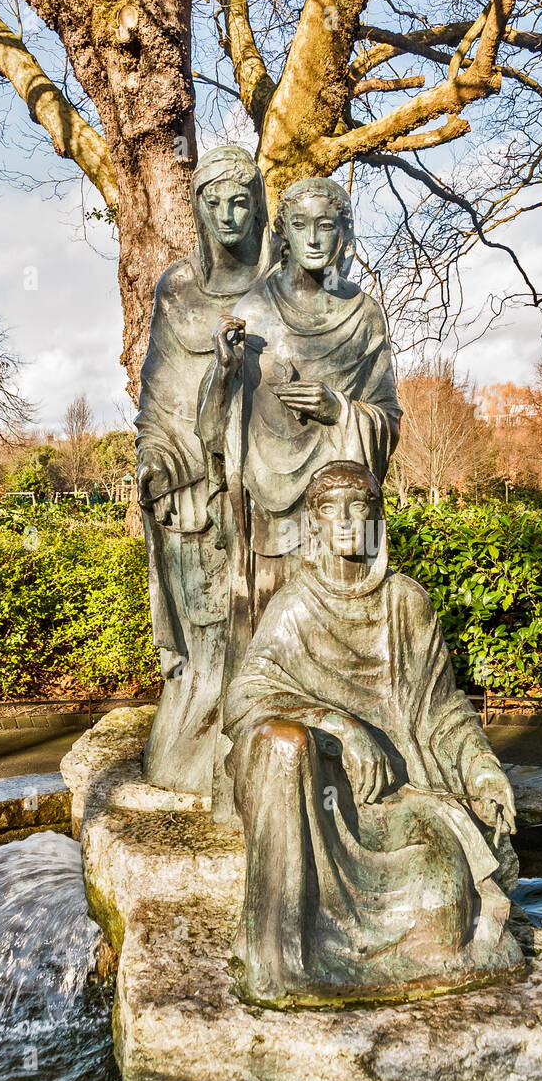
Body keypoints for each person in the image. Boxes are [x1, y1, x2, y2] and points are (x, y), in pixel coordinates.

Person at [223, 460, 524, 1007]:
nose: (343, 519)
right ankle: (282, 960)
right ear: (313, 522)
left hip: (399, 798)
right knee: (281, 744)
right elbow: (244, 700)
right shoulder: (294, 607)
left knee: (444, 913)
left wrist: (482, 768)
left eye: (357, 505)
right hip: (316, 803)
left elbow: (442, 712)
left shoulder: (406, 603)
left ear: (375, 517)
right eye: (328, 507)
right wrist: (339, 725)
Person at [197, 178, 401, 702]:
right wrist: (223, 368)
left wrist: (340, 411)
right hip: (267, 515)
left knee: (338, 640)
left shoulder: (365, 316)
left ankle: (344, 738)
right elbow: (213, 425)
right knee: (270, 639)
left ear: (343, 234)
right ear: (282, 233)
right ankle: (267, 749)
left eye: (326, 225)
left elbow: (388, 421)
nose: (314, 239)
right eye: (301, 225)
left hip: (339, 515)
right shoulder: (253, 309)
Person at [135, 146, 273, 793]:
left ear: (259, 206)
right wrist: (157, 460)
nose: (225, 214)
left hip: (268, 487)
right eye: (212, 201)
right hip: (189, 486)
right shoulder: (177, 288)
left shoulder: (284, 281)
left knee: (262, 629)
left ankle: (260, 752)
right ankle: (199, 753)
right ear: (195, 208)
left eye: (239, 201)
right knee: (205, 637)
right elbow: (159, 392)